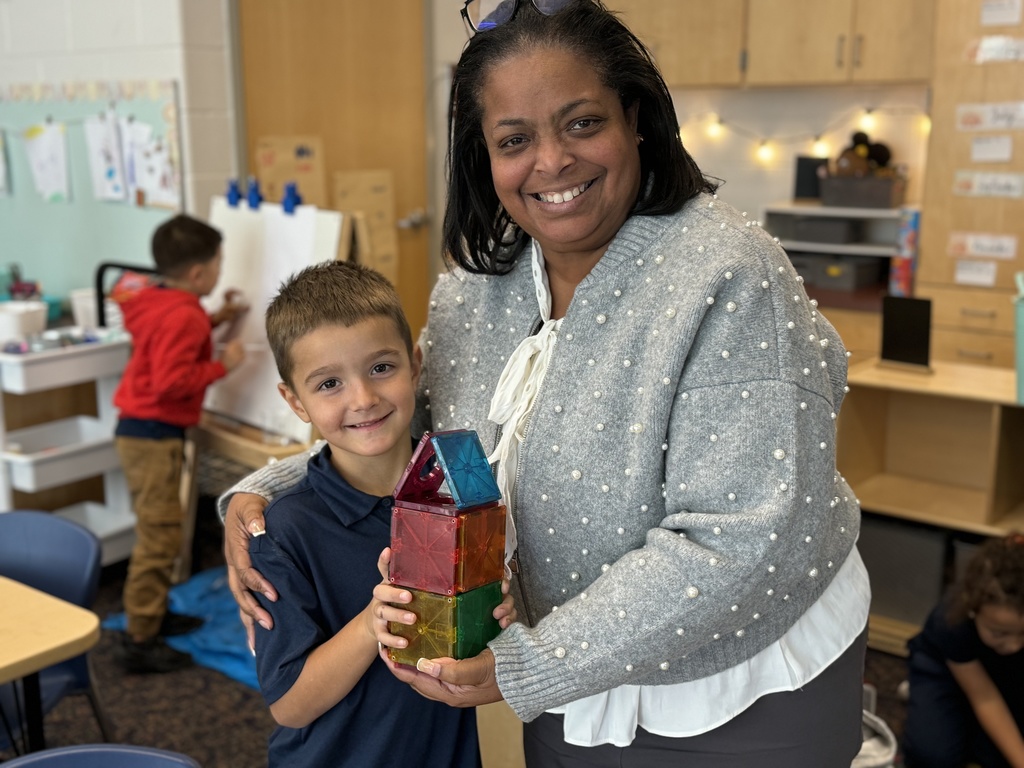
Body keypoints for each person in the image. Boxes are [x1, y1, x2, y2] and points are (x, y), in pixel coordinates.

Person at [219, 1, 871, 764]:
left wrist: (527, 665)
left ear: (634, 119)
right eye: (514, 140)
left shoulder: (729, 276)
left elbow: (741, 533)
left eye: (582, 123)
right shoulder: (478, 286)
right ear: (484, 155)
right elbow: (414, 425)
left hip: (734, 693)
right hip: (560, 683)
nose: (552, 161)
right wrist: (267, 487)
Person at [248, 260, 514, 768]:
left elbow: (477, 652)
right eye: (329, 383)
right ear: (295, 402)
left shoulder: (462, 491)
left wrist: (491, 613)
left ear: (415, 365)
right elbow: (288, 706)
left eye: (380, 368)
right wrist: (374, 624)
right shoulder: (285, 529)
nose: (364, 399)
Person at [114, 213, 246, 673]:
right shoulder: (185, 314)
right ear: (198, 273)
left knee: (162, 531)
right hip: (152, 437)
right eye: (218, 265)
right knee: (159, 537)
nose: (219, 272)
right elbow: (171, 382)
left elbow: (170, 335)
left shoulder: (157, 300)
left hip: (139, 433)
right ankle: (139, 638)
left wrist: (217, 319)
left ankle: (153, 614)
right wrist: (223, 366)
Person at [902, 533, 1024, 768]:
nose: (1015, 645)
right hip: (945, 668)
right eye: (999, 633)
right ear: (972, 610)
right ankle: (922, 692)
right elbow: (985, 698)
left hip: (1004, 669)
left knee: (994, 755)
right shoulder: (950, 622)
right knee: (933, 756)